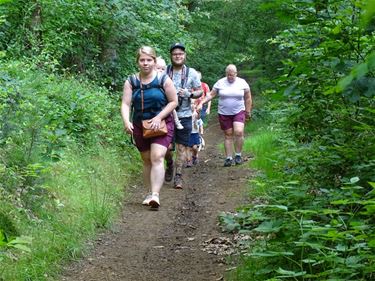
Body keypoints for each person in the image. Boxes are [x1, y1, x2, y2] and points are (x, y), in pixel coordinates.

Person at [121, 46, 178, 209]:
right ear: (138, 62)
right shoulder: (131, 81)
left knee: (157, 157)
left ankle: (155, 195)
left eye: (149, 60)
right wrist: (126, 121)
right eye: (142, 60)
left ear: (154, 61)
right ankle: (148, 192)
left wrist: (159, 116)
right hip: (140, 124)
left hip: (162, 123)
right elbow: (125, 103)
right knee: (146, 160)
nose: (145, 63)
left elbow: (174, 101)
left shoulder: (163, 79)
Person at [164, 42, 202, 189]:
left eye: (180, 54)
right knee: (166, 146)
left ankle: (178, 176)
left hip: (184, 114)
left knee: (181, 147)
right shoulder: (164, 72)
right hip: (167, 114)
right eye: (175, 54)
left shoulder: (191, 72)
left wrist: (190, 94)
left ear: (184, 55)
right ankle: (170, 163)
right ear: (171, 56)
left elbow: (200, 91)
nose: (178, 56)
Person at [198, 64, 252, 167]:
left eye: (232, 75)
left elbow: (248, 97)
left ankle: (238, 155)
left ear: (236, 73)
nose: (230, 77)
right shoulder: (220, 83)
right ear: (225, 74)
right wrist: (202, 102)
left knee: (239, 132)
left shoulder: (242, 83)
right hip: (224, 112)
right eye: (228, 75)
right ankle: (228, 158)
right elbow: (211, 95)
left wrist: (248, 111)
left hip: (239, 111)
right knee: (228, 134)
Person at [156, 56, 184, 130]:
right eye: (158, 68)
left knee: (172, 109)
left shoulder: (165, 79)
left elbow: (172, 89)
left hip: (166, 99)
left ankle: (177, 121)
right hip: (157, 100)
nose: (160, 70)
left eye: (163, 69)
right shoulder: (151, 78)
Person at [186, 100, 203, 167]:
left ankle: (195, 156)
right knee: (187, 148)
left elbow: (198, 118)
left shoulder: (196, 113)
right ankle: (189, 161)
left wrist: (199, 113)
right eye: (190, 103)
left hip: (195, 133)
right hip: (187, 133)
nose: (191, 105)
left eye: (193, 103)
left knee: (195, 147)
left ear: (195, 105)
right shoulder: (186, 113)